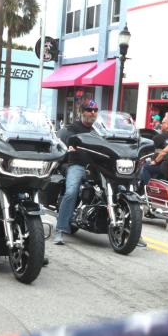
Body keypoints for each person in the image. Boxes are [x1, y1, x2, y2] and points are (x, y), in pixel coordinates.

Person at [52, 99, 99, 245]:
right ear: (81, 112)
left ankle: (131, 229)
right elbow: (68, 142)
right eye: (89, 110)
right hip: (77, 165)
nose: (92, 113)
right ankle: (60, 229)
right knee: (71, 191)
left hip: (97, 167)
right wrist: (70, 147)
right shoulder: (72, 128)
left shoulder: (99, 131)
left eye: (95, 110)